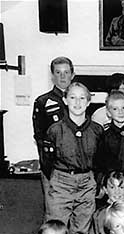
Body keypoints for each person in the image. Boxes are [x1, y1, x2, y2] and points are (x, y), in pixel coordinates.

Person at [43, 82, 104, 234]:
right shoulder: (55, 130)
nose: (77, 102)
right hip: (62, 181)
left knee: (82, 232)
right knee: (56, 230)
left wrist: (96, 182)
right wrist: (57, 180)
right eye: (72, 97)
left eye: (82, 98)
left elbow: (100, 160)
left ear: (88, 102)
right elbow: (47, 161)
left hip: (86, 182)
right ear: (65, 101)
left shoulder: (96, 130)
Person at [33, 56, 74, 197]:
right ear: (52, 76)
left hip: (77, 168)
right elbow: (40, 137)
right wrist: (48, 168)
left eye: (66, 72)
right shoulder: (43, 102)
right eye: (58, 72)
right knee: (54, 212)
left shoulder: (80, 99)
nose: (62, 76)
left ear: (72, 75)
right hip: (54, 167)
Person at [94, 90, 124, 191]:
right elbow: (100, 167)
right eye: (115, 109)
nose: (120, 112)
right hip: (112, 187)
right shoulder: (104, 137)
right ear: (108, 112)